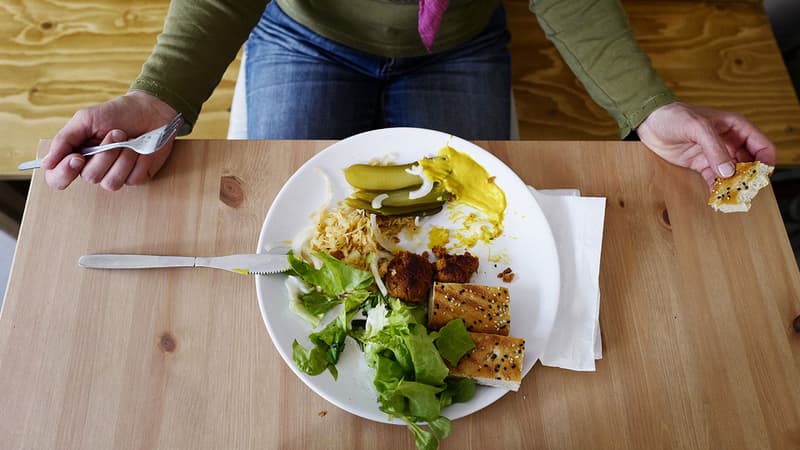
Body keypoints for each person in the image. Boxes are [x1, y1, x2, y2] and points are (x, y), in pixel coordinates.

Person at [42, 0, 776, 193]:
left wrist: (648, 105)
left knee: (465, 233)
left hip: (457, 44)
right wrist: (160, 94)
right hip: (305, 34)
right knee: (288, 228)